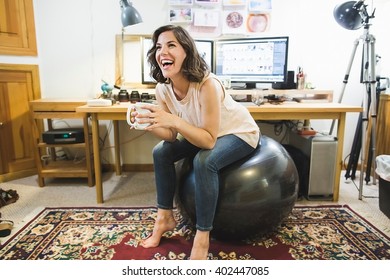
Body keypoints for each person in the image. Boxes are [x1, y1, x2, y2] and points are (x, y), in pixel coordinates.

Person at [132, 25, 260, 260]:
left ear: (187, 52)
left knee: (204, 160)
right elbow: (171, 136)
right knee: (161, 152)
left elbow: (209, 141)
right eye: (159, 47)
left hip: (238, 133)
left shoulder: (207, 85)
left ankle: (202, 236)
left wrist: (172, 120)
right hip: (204, 133)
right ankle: (164, 217)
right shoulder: (163, 89)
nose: (163, 52)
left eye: (171, 45)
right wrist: (149, 123)